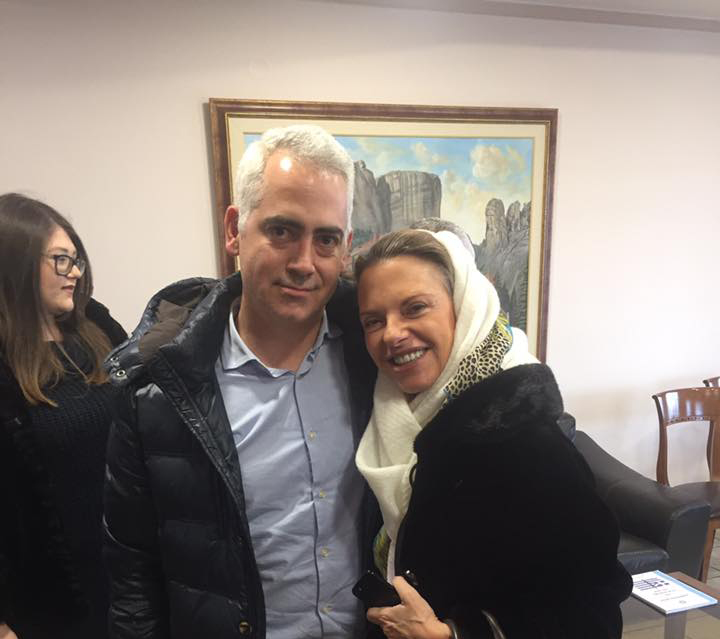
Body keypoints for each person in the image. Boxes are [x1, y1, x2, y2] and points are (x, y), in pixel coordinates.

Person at [103, 125, 379, 638]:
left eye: (326, 239)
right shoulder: (157, 392)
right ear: (235, 229)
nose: (304, 263)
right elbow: (133, 574)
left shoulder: (375, 357)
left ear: (345, 249)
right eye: (282, 231)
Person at [354, 229, 632, 639]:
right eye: (373, 321)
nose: (392, 333)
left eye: (415, 308)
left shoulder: (525, 443)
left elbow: (593, 614)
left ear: (463, 308)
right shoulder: (389, 423)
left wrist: (454, 634)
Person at [0, 193, 127, 639]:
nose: (74, 272)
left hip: (127, 579)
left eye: (75, 260)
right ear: (16, 263)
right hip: (49, 602)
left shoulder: (98, 328)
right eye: (60, 260)